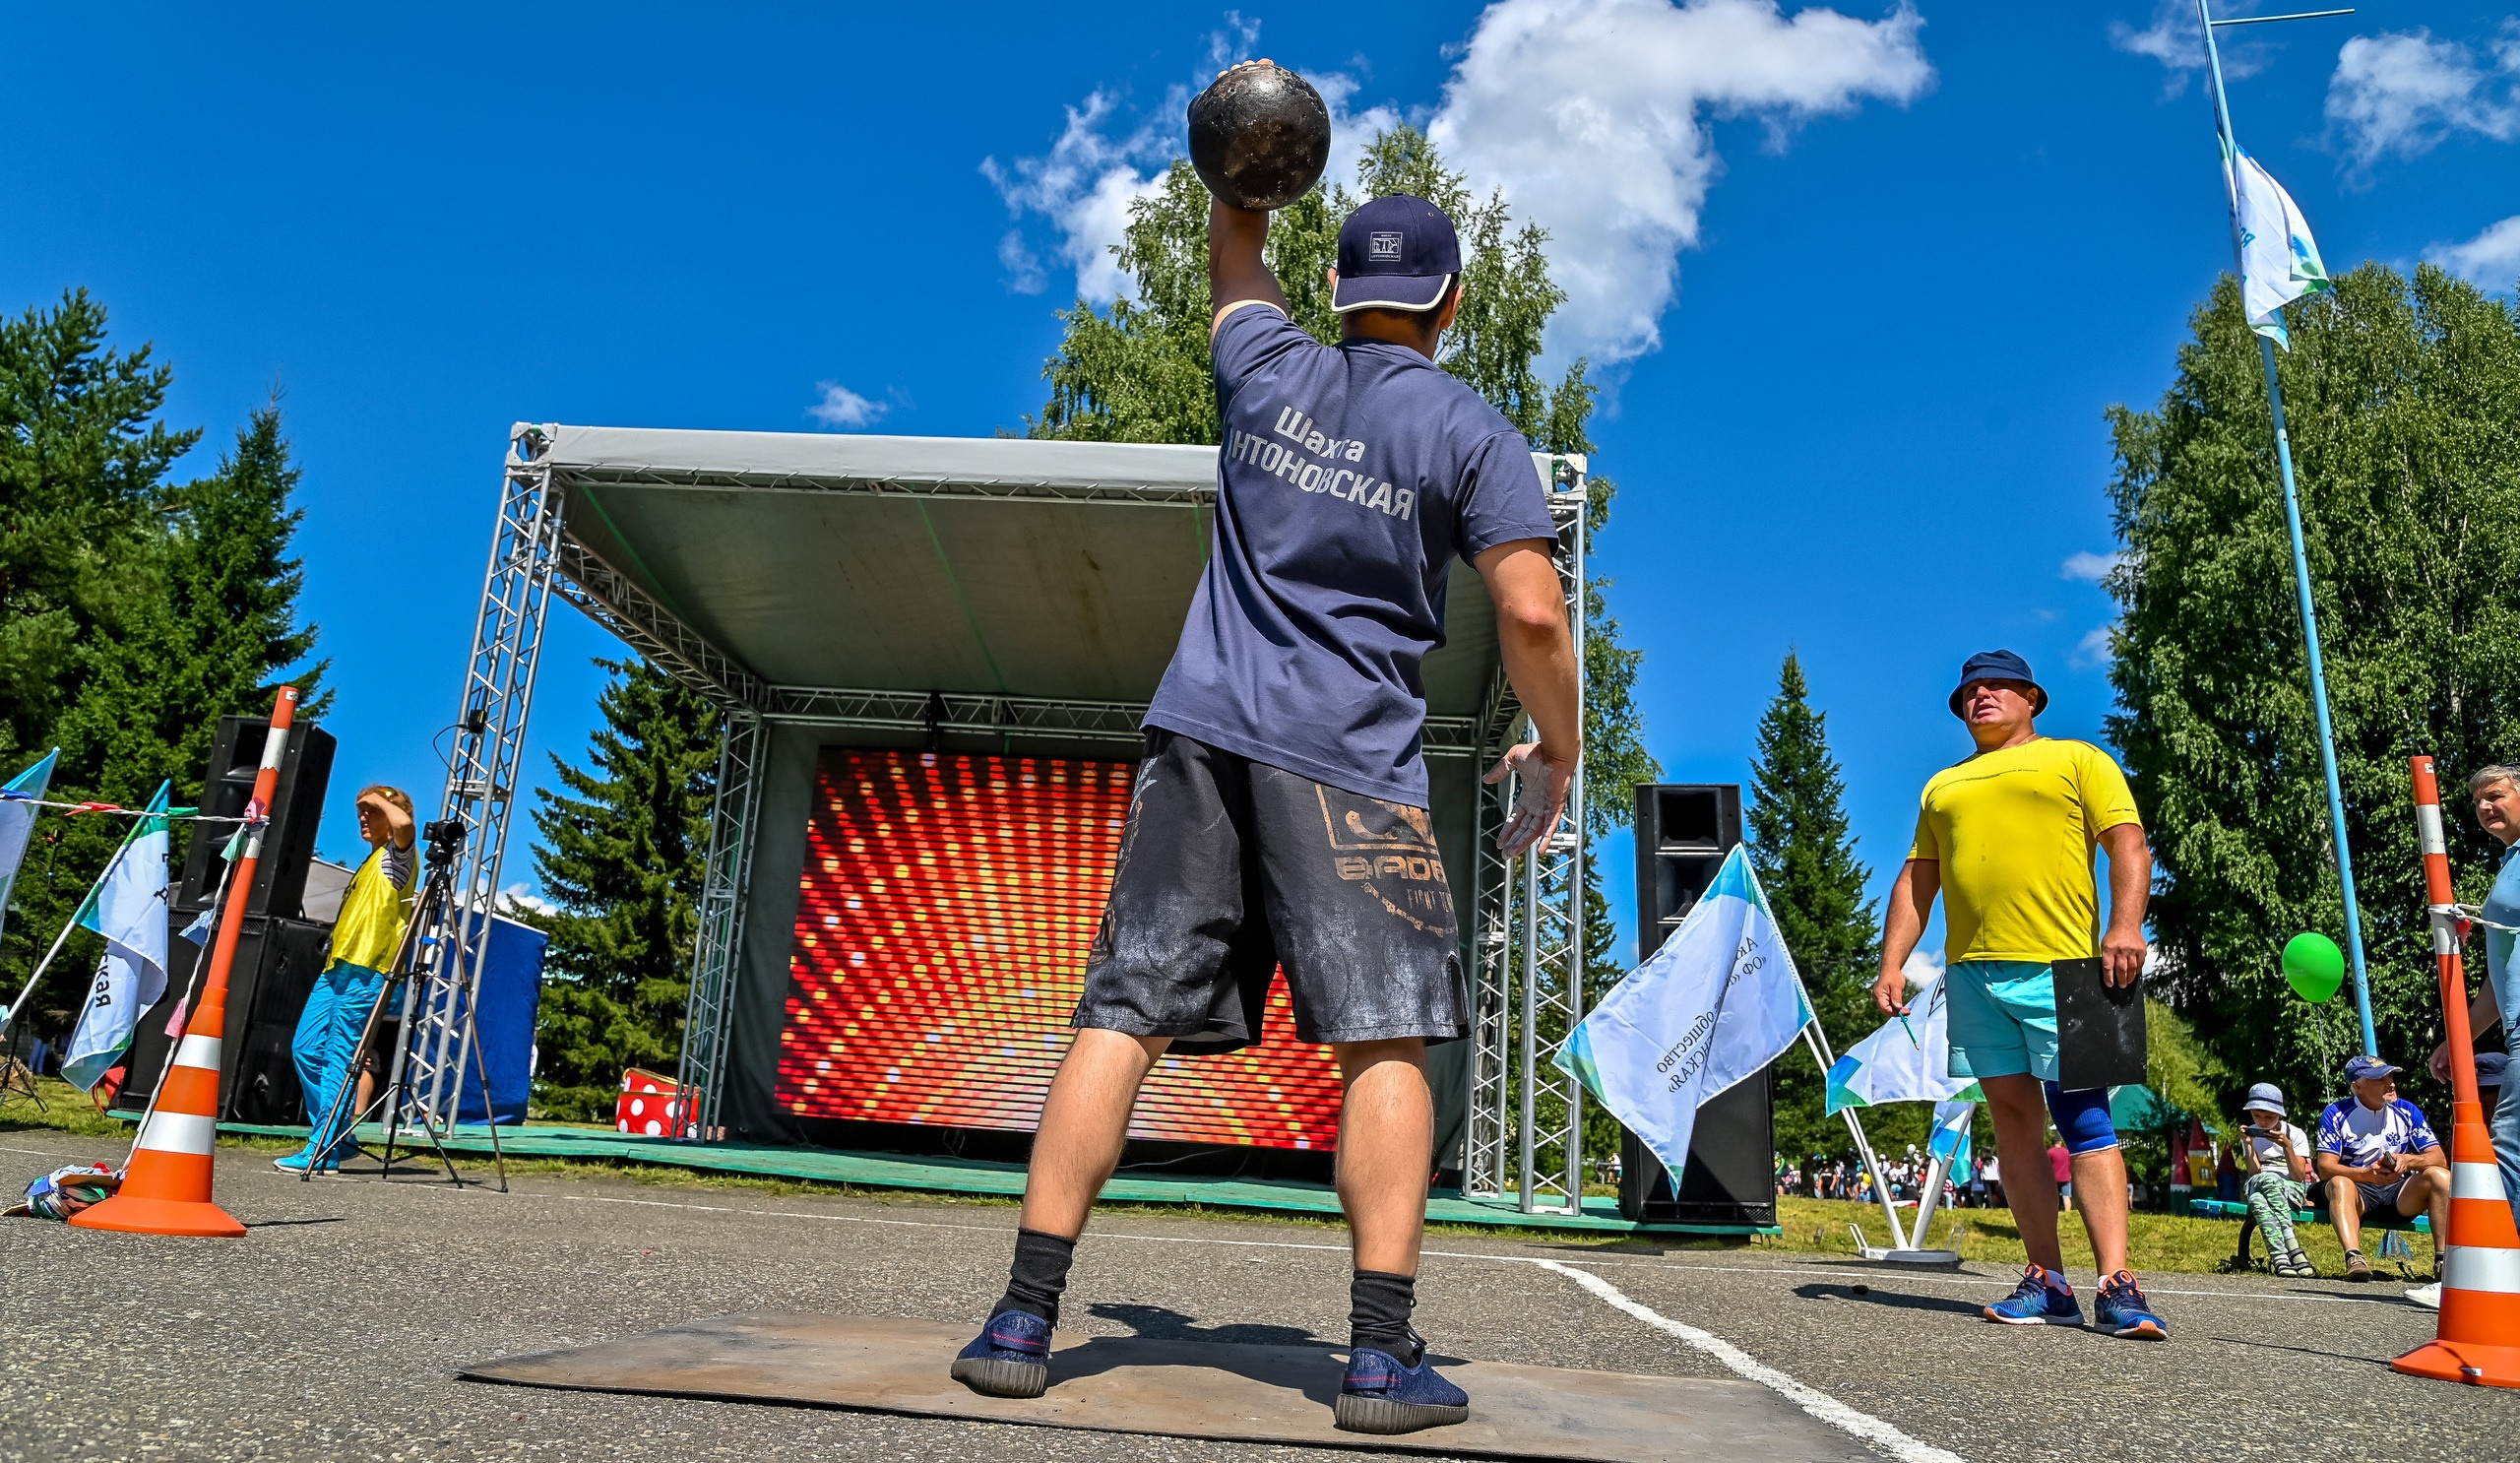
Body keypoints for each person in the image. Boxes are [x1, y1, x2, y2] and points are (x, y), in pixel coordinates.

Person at [950, 95, 1581, 1440]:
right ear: (1453, 303)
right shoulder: (1471, 430)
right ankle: (1377, 1355)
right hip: (1348, 755)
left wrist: (1258, 165)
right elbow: (1530, 612)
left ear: (1342, 288)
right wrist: (1560, 748)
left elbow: (1234, 235)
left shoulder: (1267, 369)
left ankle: (1020, 1317)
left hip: (1202, 730)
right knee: (1385, 1034)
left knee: (1124, 1010)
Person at [1874, 650, 2168, 1338]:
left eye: (1997, 686)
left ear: (2031, 698)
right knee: (2011, 1119)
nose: (1980, 696)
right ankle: (2048, 1279)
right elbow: (1918, 880)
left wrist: (2126, 924)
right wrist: (1893, 963)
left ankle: (2117, 1284)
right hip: (1974, 973)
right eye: (1970, 690)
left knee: (2085, 1118)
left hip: (2066, 967)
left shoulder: (2077, 760)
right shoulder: (1942, 787)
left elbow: (2129, 844)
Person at [280, 786, 417, 1174]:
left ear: (389, 815)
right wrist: (371, 801)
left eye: (370, 811)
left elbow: (405, 823)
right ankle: (340, 1134)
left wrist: (378, 800)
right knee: (305, 1048)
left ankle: (323, 1145)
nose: (362, 817)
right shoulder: (373, 861)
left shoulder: (397, 858)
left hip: (366, 969)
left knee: (339, 1058)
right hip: (338, 967)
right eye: (359, 811)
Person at [2431, 764, 2520, 1235]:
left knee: (2507, 1148)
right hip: (2515, 1040)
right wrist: (2457, 1041)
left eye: (2497, 795)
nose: (2486, 807)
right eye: (2478, 801)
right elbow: (2498, 978)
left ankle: (2493, 1279)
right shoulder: (2511, 863)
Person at [2315, 1054, 2451, 1283]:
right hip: (2356, 1192)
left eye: (2390, 1076)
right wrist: (2365, 1174)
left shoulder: (2407, 1111)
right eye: (2380, 1079)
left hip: (2397, 1193)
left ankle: (2444, 1262)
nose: (2391, 1083)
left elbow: (2438, 1158)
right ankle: (2354, 1258)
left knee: (2440, 1176)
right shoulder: (2336, 1112)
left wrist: (2407, 1161)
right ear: (2358, 1086)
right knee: (2339, 1182)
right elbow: (2325, 1167)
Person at [2236, 1082, 2315, 1278]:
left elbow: (2298, 1176)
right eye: (2257, 1116)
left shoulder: (2295, 1135)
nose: (2262, 1122)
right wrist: (2249, 1146)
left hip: (2289, 1187)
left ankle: (2280, 1257)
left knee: (2257, 1199)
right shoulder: (2251, 1134)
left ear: (2280, 1114)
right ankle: (2292, 1250)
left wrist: (2287, 1147)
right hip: (2261, 1182)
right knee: (2266, 1181)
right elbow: (2255, 1173)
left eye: (2269, 1117)